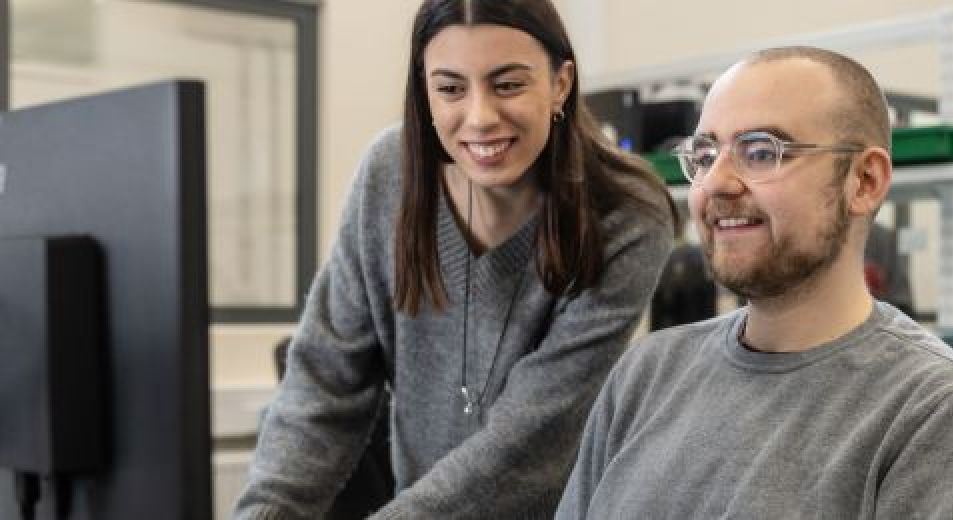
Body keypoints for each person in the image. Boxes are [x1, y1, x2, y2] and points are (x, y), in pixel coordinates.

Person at [234, 0, 674, 517]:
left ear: (560, 83)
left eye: (508, 84)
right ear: (425, 92)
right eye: (450, 88)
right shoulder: (388, 176)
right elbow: (323, 385)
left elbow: (530, 440)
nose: (480, 117)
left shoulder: (625, 213)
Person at [556, 46, 953, 519]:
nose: (716, 183)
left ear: (864, 181)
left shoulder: (935, 410)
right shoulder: (646, 375)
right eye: (705, 154)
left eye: (761, 152)